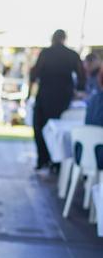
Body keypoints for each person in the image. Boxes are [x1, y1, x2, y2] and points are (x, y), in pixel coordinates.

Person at [30, 29, 85, 170]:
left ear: (53, 39)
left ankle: (43, 159)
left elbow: (34, 73)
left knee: (40, 127)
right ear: (64, 39)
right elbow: (81, 75)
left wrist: (30, 92)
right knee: (58, 131)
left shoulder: (46, 53)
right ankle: (56, 162)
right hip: (63, 98)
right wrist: (78, 91)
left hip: (45, 96)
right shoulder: (72, 55)